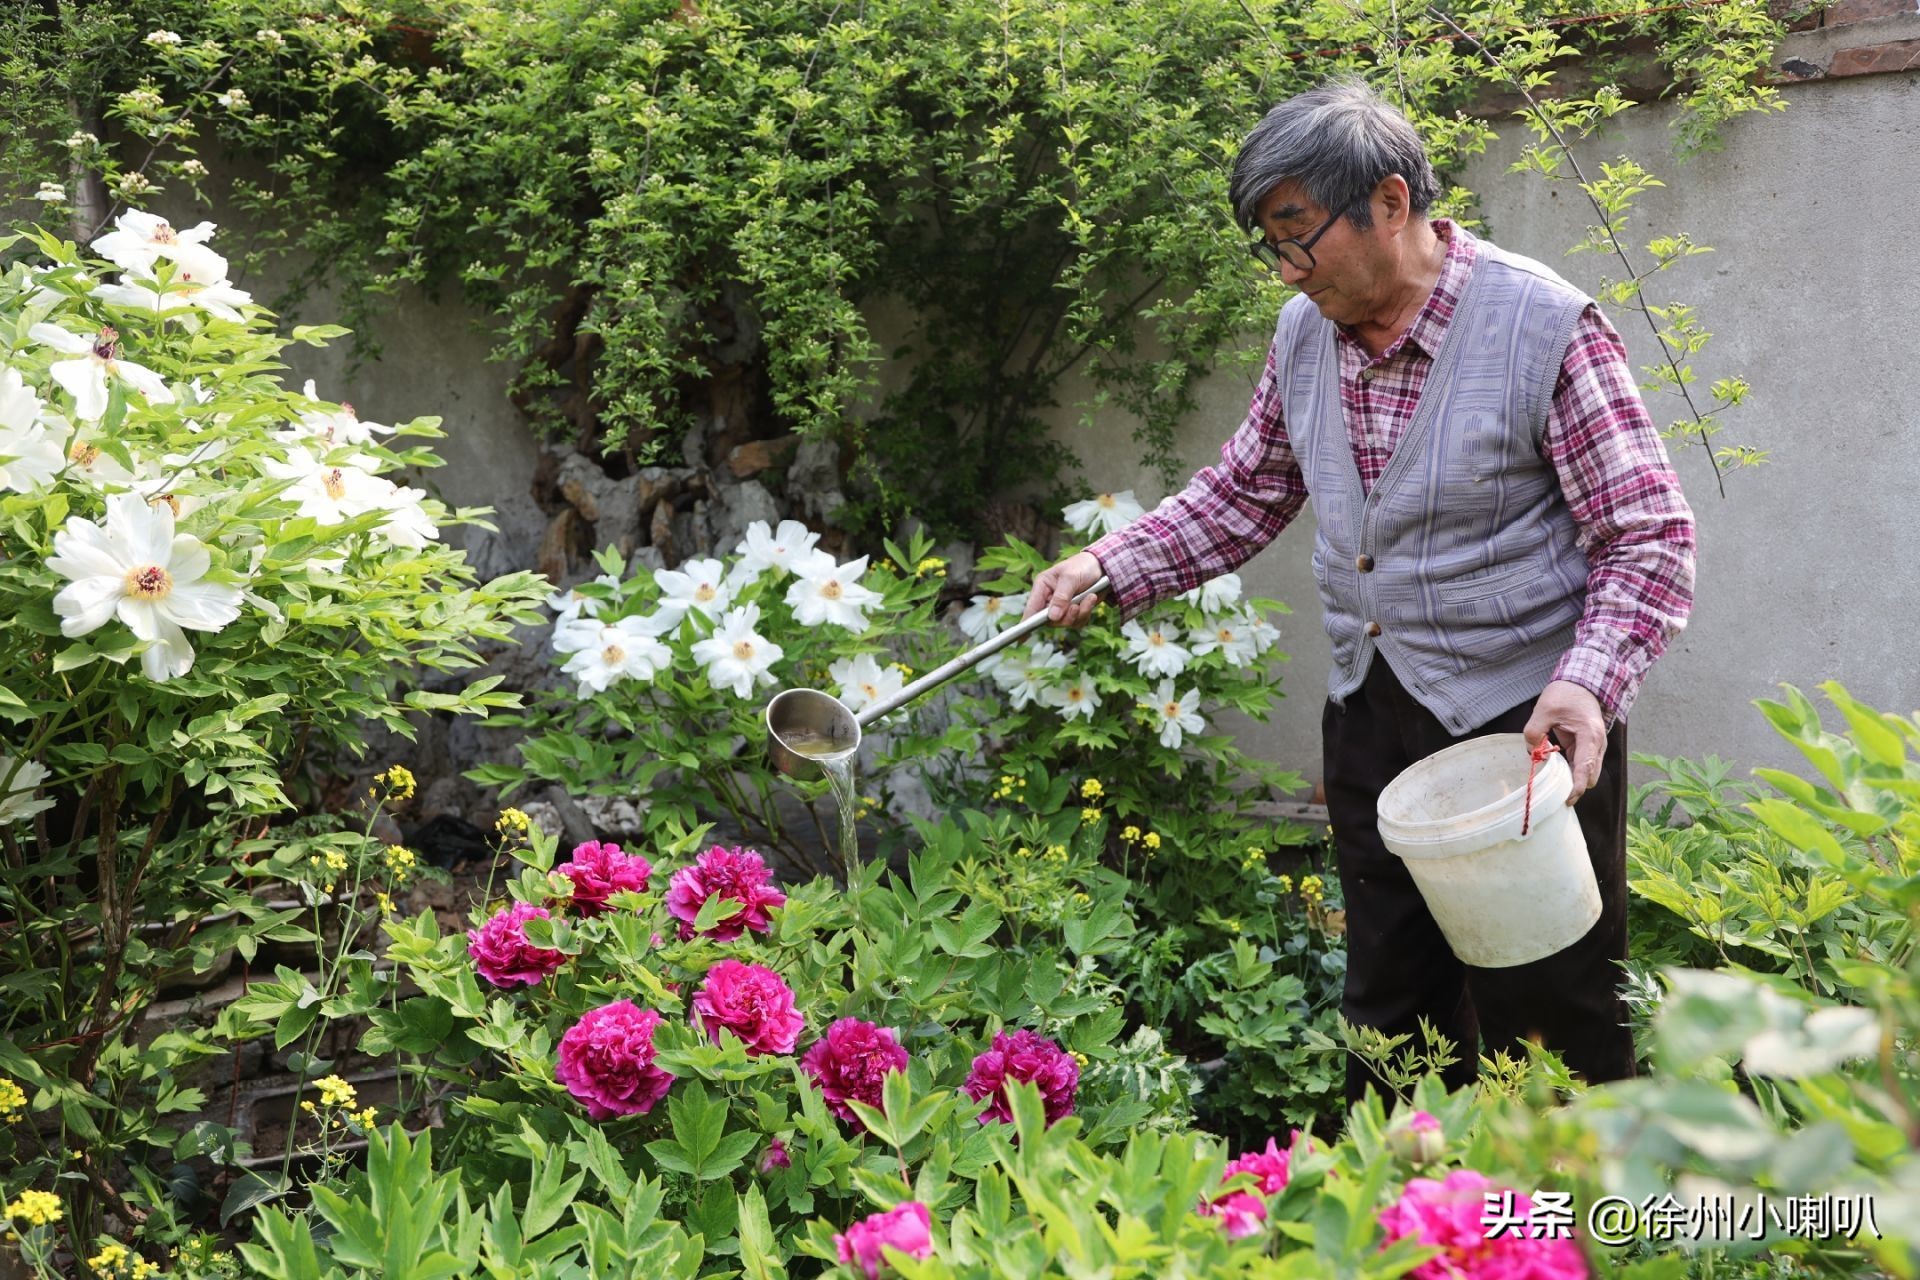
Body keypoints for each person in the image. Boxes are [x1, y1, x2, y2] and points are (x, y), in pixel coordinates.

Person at [1023, 77, 1695, 1102]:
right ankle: (1407, 1196)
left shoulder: (1544, 325)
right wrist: (1111, 565)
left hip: (1523, 724)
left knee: (1550, 1011)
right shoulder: (1306, 334)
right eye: (1272, 247)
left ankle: (1571, 1202)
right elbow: (1246, 489)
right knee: (1391, 1007)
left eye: (1299, 237)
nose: (1288, 272)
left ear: (1390, 201)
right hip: (1374, 710)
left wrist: (1589, 682)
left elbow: (1647, 534)